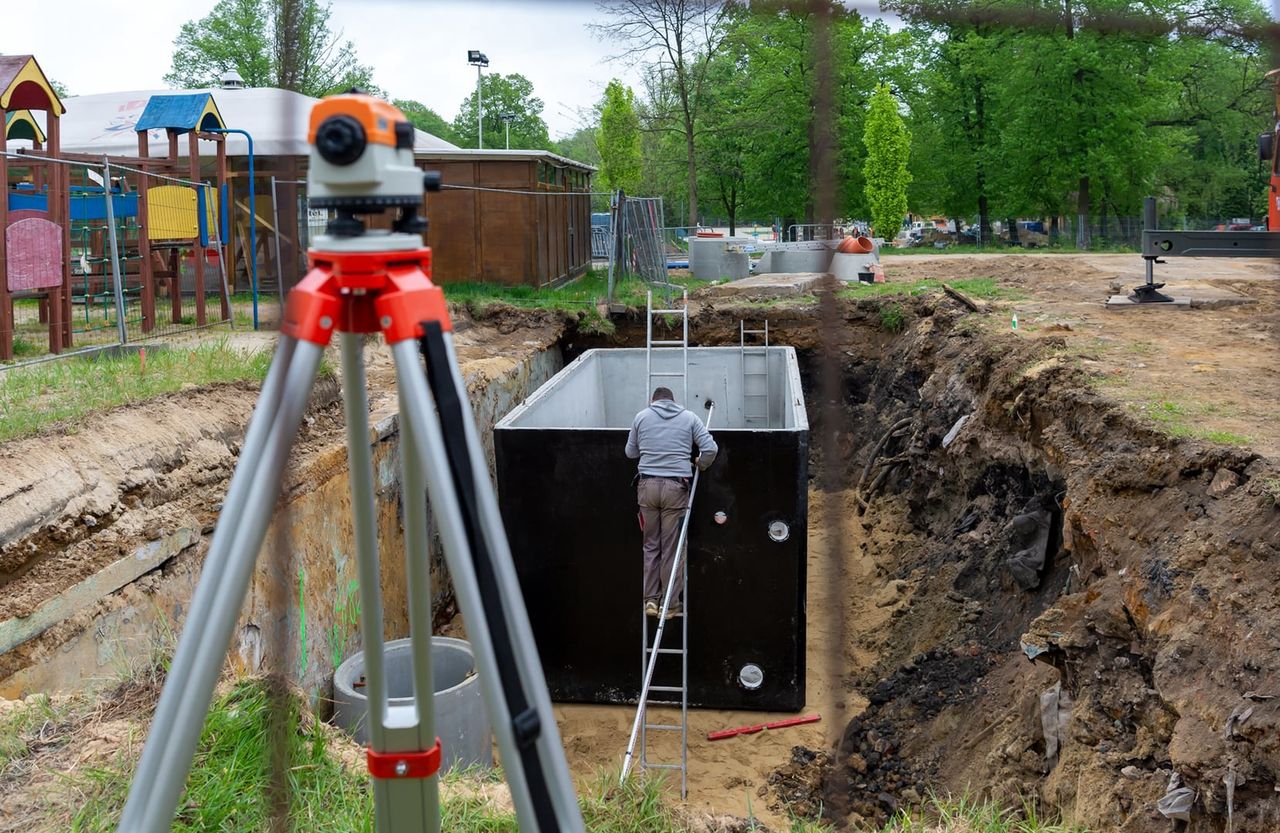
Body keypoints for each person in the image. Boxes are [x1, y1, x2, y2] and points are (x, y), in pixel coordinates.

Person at [625, 387, 718, 620]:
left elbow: (630, 452)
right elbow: (710, 448)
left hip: (646, 488)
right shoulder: (689, 418)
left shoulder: (641, 417)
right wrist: (700, 463)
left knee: (651, 547)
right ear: (673, 401)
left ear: (653, 401)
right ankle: (670, 604)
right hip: (675, 490)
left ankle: (650, 601)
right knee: (672, 549)